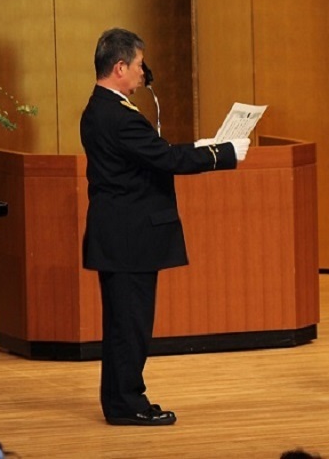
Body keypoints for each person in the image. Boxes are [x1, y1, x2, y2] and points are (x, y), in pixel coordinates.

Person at [81, 28, 250, 426]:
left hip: (120, 235)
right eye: (139, 65)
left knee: (124, 324)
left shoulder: (101, 109)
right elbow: (167, 160)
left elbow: (154, 155)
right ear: (120, 67)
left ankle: (122, 400)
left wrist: (202, 147)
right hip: (130, 238)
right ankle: (127, 404)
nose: (144, 72)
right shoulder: (119, 116)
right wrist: (221, 154)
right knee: (131, 326)